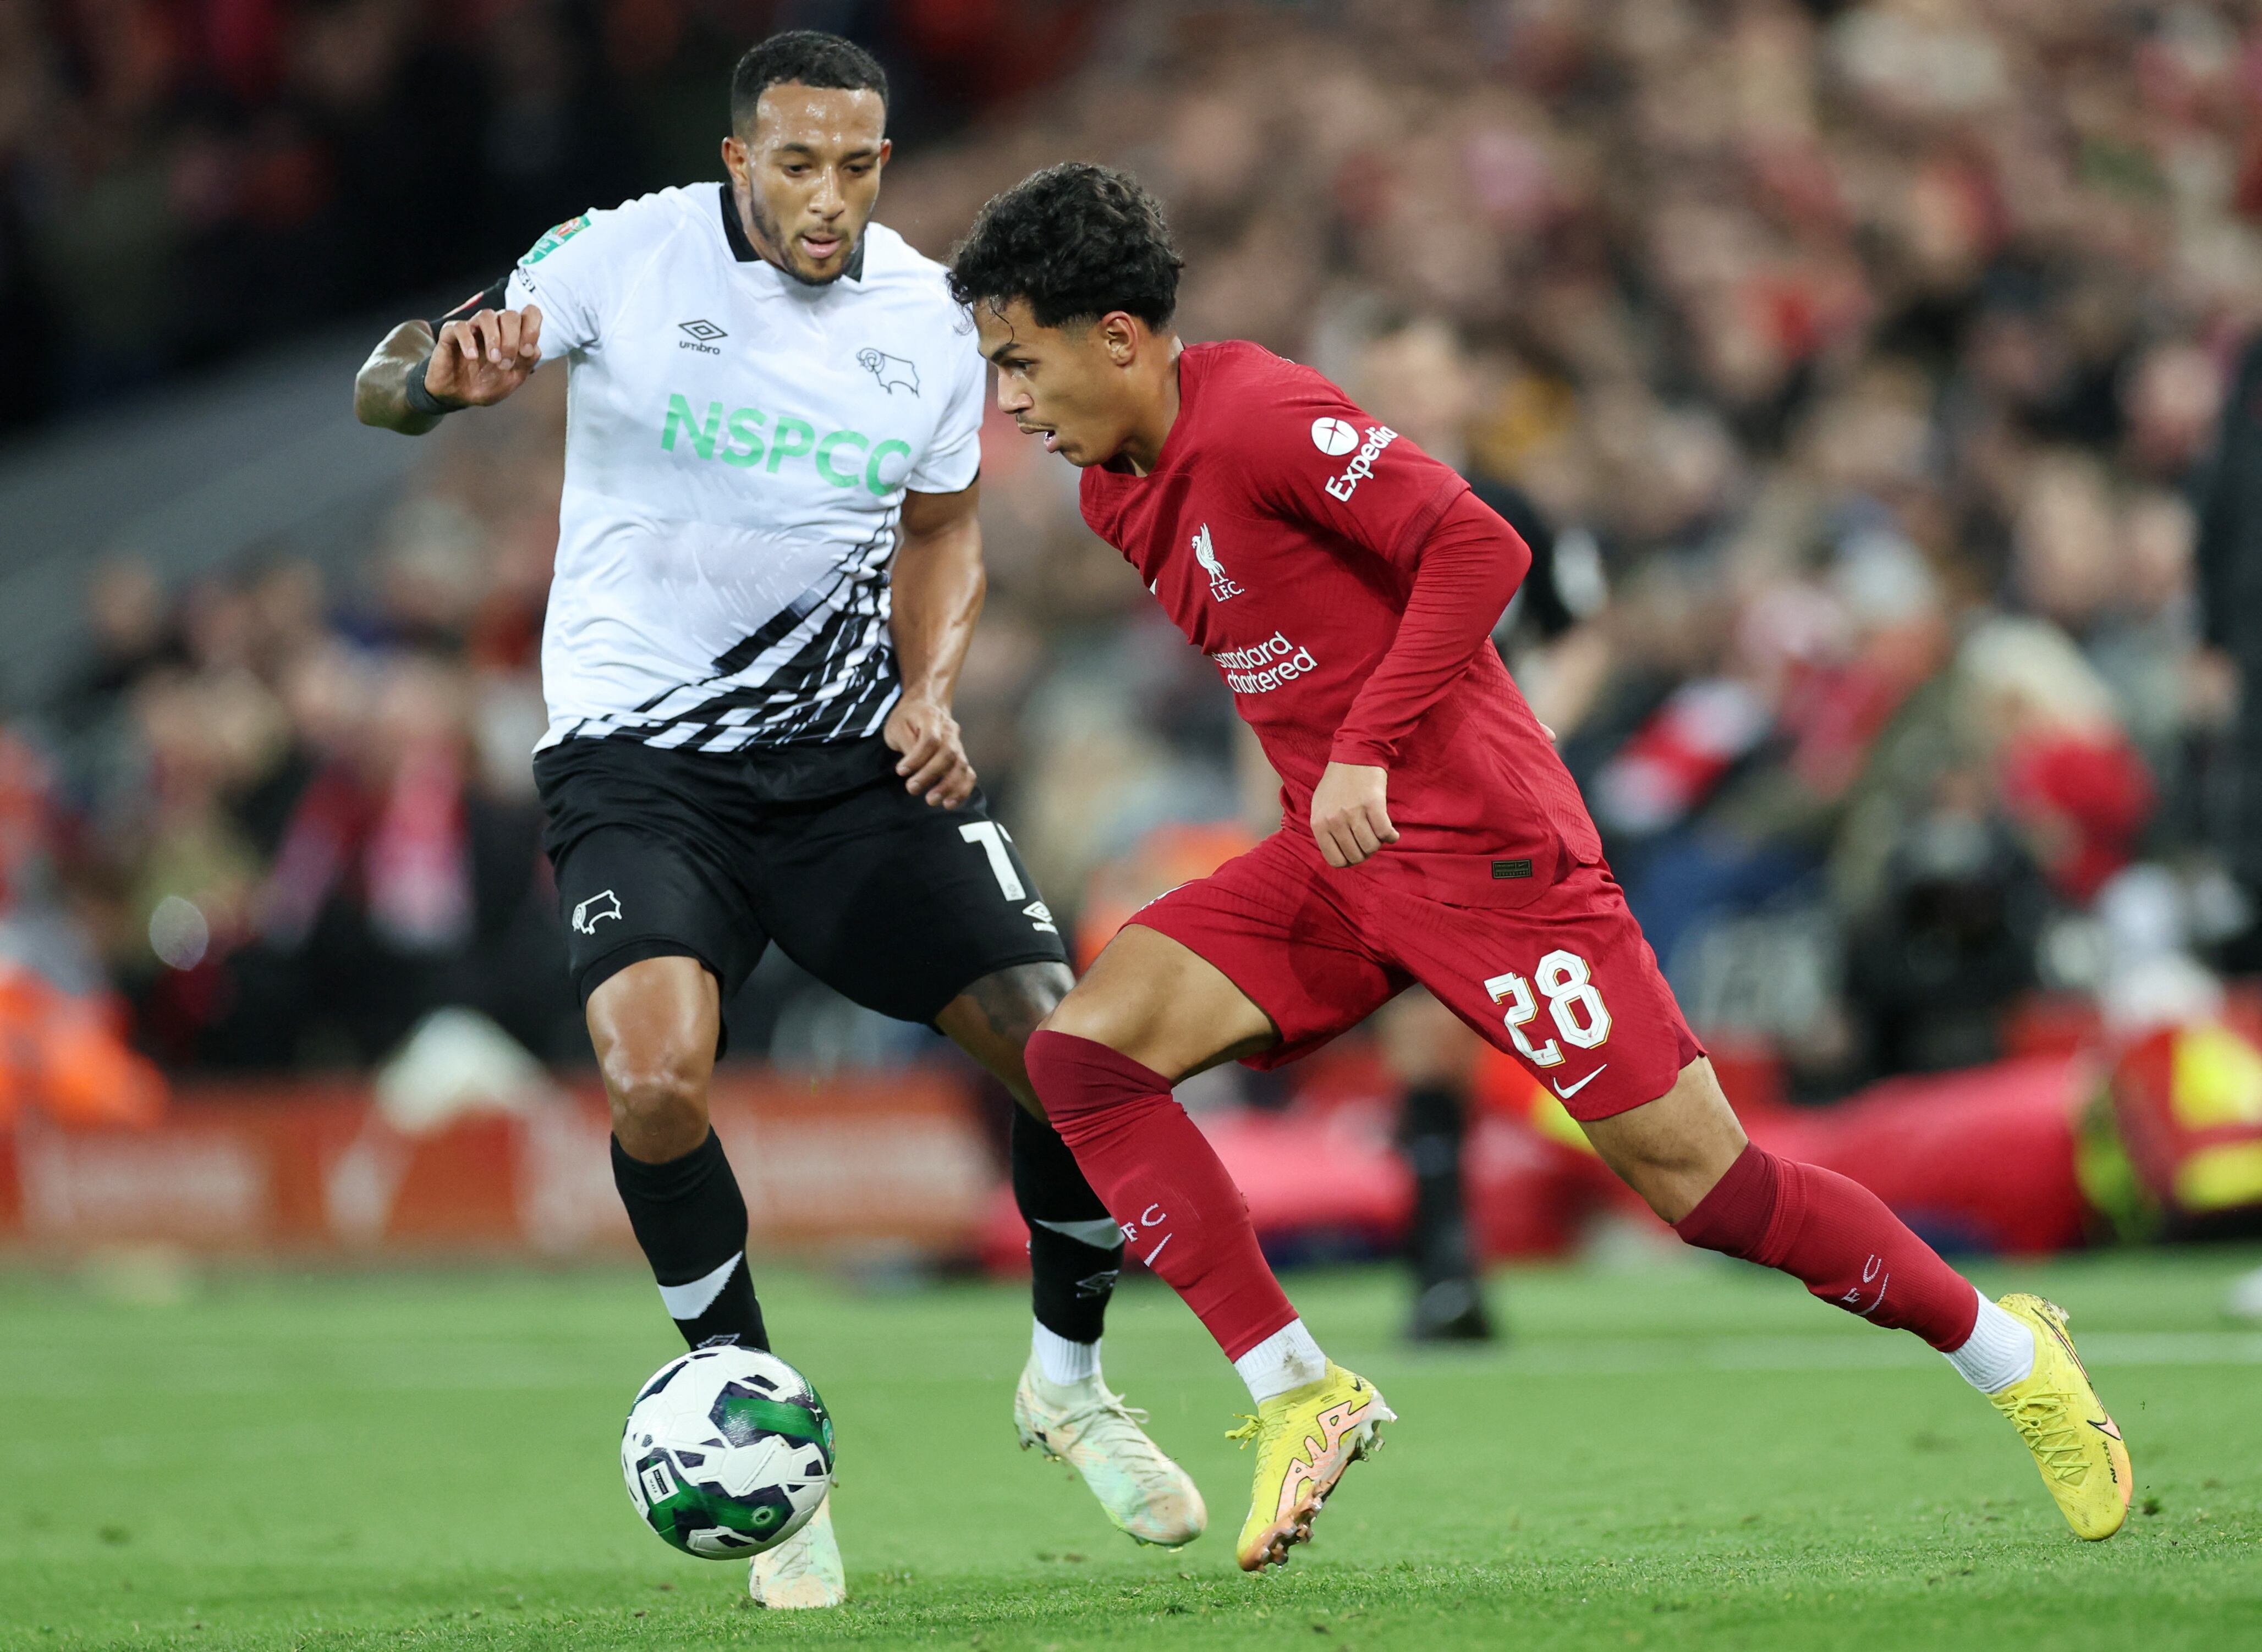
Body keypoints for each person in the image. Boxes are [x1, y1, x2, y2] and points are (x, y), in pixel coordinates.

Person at [945, 162, 2134, 1573]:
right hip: (1338, 861)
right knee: (1082, 1057)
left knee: (1711, 1192)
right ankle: (1296, 1387)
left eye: (1021, 363)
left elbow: (1478, 542)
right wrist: (1332, 778)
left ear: (1116, 337)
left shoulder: (1257, 412)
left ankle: (2007, 1352)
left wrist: (1368, 748)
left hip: (1491, 859)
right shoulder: (1112, 495)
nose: (1011, 402)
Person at [351, 36, 1200, 1606]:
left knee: (1074, 1053)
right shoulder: (626, 252)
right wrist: (435, 384)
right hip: (641, 765)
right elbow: (390, 375)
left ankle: (1069, 1383)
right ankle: (757, 1431)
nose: (829, 199)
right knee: (654, 1078)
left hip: (853, 766)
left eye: (857, 168)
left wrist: (930, 688)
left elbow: (943, 531)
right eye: (798, 165)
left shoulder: (929, 320)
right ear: (739, 157)